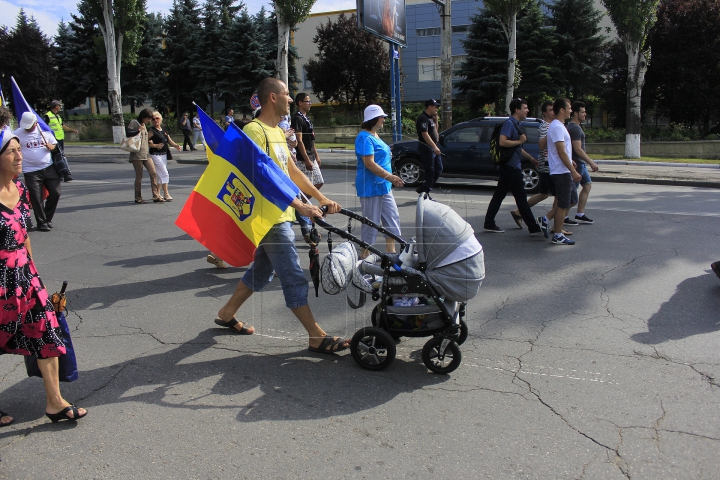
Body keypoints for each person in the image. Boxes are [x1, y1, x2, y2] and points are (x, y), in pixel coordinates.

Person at [215, 77, 348, 354]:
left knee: (263, 270)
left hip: (281, 213)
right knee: (292, 274)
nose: (291, 99)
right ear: (272, 98)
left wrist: (320, 198)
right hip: (268, 219)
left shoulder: (276, 132)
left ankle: (227, 312)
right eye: (286, 94)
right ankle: (315, 335)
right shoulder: (254, 130)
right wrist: (302, 207)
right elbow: (260, 176)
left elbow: (292, 172)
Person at [0, 131, 88, 423]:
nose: (19, 155)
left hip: (25, 277)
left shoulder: (22, 189)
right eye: (11, 151)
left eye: (19, 149)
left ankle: (55, 402)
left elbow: (24, 236)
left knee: (47, 331)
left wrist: (33, 273)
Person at [483, 99, 543, 236]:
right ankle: (533, 227)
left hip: (510, 166)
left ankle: (489, 222)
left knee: (499, 196)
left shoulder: (516, 124)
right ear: (517, 110)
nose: (527, 110)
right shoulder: (509, 124)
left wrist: (530, 158)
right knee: (521, 198)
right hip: (511, 167)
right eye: (525, 108)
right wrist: (520, 141)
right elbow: (503, 142)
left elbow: (516, 147)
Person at [355, 105, 404, 258]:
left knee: (392, 218)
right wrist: (391, 177)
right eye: (382, 117)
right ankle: (364, 258)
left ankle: (391, 255)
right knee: (371, 223)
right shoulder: (364, 138)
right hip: (371, 187)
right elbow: (369, 164)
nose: (384, 119)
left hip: (384, 186)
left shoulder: (374, 135)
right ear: (373, 118)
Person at [13, 112, 62, 231]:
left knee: (56, 192)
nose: (28, 128)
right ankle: (42, 223)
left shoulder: (44, 131)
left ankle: (47, 218)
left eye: (31, 126)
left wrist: (52, 147)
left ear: (36, 123)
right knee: (36, 196)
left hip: (49, 167)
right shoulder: (17, 134)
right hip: (31, 171)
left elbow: (55, 146)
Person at [546, 98, 582, 245]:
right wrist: (573, 170)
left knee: (563, 203)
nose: (571, 110)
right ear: (562, 109)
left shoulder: (559, 126)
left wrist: (570, 161)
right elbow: (560, 152)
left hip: (562, 170)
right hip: (561, 172)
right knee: (562, 204)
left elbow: (563, 151)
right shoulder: (557, 127)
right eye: (569, 108)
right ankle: (558, 234)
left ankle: (548, 223)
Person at [280, 114, 313, 245]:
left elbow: (295, 171)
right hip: (281, 180)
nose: (289, 100)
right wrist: (284, 137)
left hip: (288, 173)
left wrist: (321, 199)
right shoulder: (267, 130)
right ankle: (308, 233)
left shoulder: (282, 125)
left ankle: (308, 232)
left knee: (297, 199)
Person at [566, 100, 599, 225]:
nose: (585, 114)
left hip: (580, 163)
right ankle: (563, 216)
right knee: (572, 192)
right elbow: (578, 149)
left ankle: (580, 214)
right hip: (577, 163)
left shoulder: (576, 127)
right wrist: (591, 162)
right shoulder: (574, 128)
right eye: (583, 112)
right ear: (575, 113)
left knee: (587, 185)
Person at [126, 109, 162, 204]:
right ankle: (138, 197)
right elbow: (128, 133)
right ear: (143, 117)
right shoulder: (135, 122)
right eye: (148, 119)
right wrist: (137, 130)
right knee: (139, 176)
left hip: (146, 153)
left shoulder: (144, 125)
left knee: (153, 173)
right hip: (137, 154)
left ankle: (155, 195)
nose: (149, 121)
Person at [291, 93, 324, 191]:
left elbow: (311, 139)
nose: (310, 103)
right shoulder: (297, 118)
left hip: (311, 155)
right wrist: (306, 159)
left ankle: (300, 205)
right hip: (302, 158)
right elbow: (299, 140)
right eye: (307, 101)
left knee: (318, 182)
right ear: (300, 103)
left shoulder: (306, 118)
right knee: (306, 186)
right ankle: (300, 205)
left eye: (310, 101)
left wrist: (316, 156)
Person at [149, 111, 181, 202]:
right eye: (153, 119)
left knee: (160, 175)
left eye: (157, 118)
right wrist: (155, 145)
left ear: (161, 119)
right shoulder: (151, 130)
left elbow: (169, 140)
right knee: (165, 173)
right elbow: (146, 142)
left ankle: (157, 194)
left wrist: (176, 146)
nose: (155, 120)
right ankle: (166, 193)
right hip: (155, 155)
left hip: (164, 155)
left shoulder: (163, 130)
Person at [415, 99, 443, 195]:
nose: (436, 109)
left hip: (433, 147)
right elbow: (424, 134)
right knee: (430, 170)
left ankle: (425, 187)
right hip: (427, 148)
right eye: (435, 107)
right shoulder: (423, 118)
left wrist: (436, 120)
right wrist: (434, 147)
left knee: (439, 169)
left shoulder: (431, 118)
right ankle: (425, 191)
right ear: (429, 107)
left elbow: (435, 130)